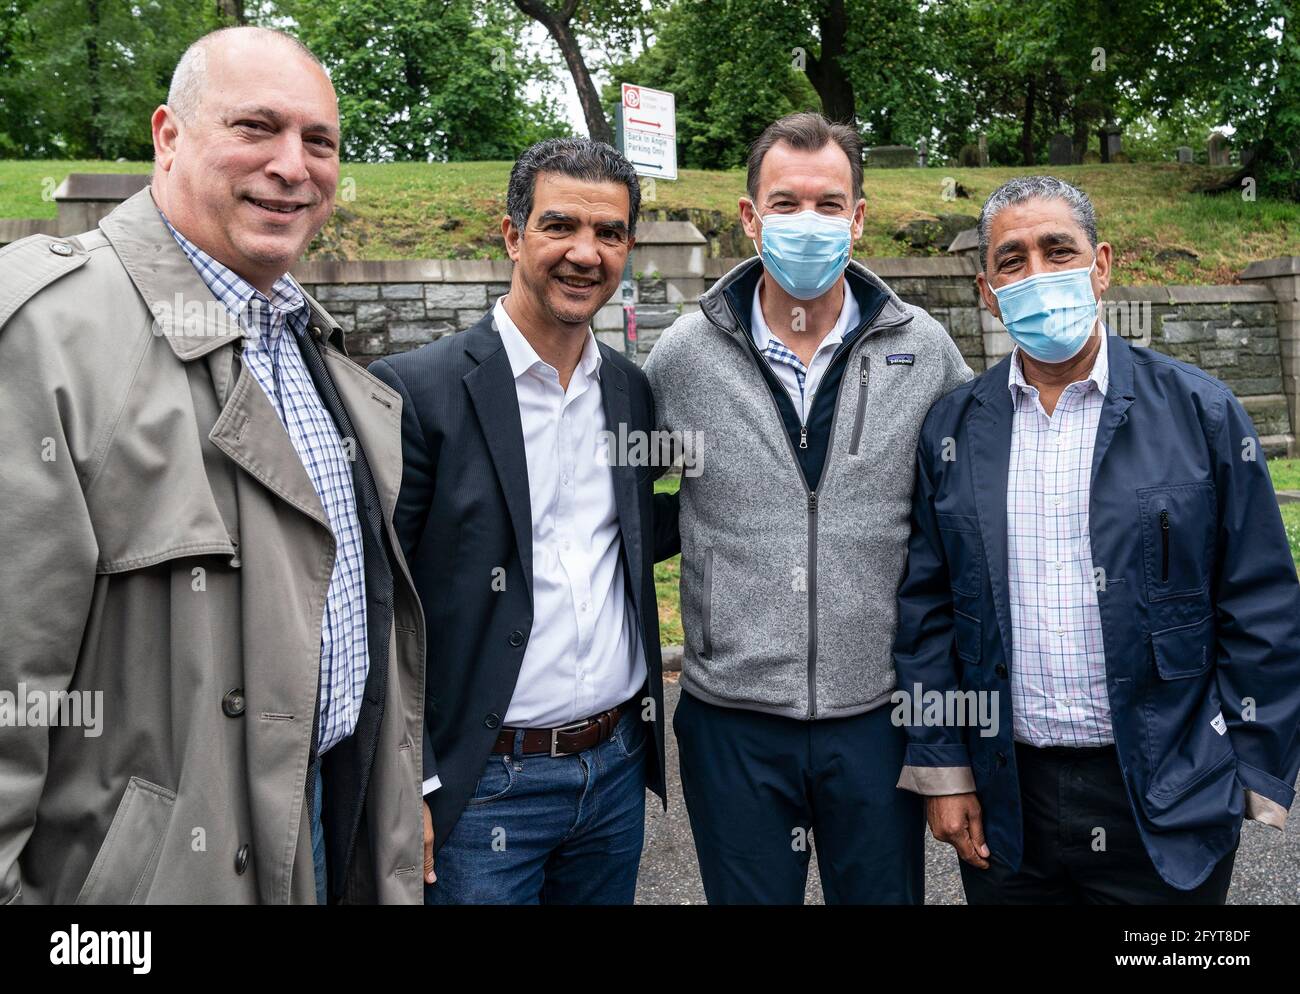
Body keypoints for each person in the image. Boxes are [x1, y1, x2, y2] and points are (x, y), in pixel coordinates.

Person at [0, 26, 427, 905]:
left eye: (320, 142)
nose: (292, 166)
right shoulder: (48, 336)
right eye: (256, 127)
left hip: (320, 815)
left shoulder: (305, 341)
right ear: (168, 135)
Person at [893, 174, 1300, 903]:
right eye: (1011, 261)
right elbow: (927, 615)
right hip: (1007, 796)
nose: (1038, 274)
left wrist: (1251, 769)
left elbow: (1260, 601)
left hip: (1167, 792)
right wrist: (944, 769)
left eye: (1059, 250)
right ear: (987, 289)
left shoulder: (1202, 413)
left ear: (1101, 265)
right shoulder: (953, 430)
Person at [644, 112, 972, 904]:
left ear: (859, 217)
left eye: (830, 204)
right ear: (750, 218)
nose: (809, 223)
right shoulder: (684, 353)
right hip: (732, 720)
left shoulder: (922, 349)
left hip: (876, 717)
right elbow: (614, 503)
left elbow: (970, 513)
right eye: (785, 204)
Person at [368, 138, 673, 905]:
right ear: (511, 235)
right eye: (560, 225)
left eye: (609, 233)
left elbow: (638, 536)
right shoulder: (417, 392)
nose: (585, 252)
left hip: (612, 774)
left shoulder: (632, 394)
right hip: (481, 788)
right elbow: (374, 604)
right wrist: (414, 778)